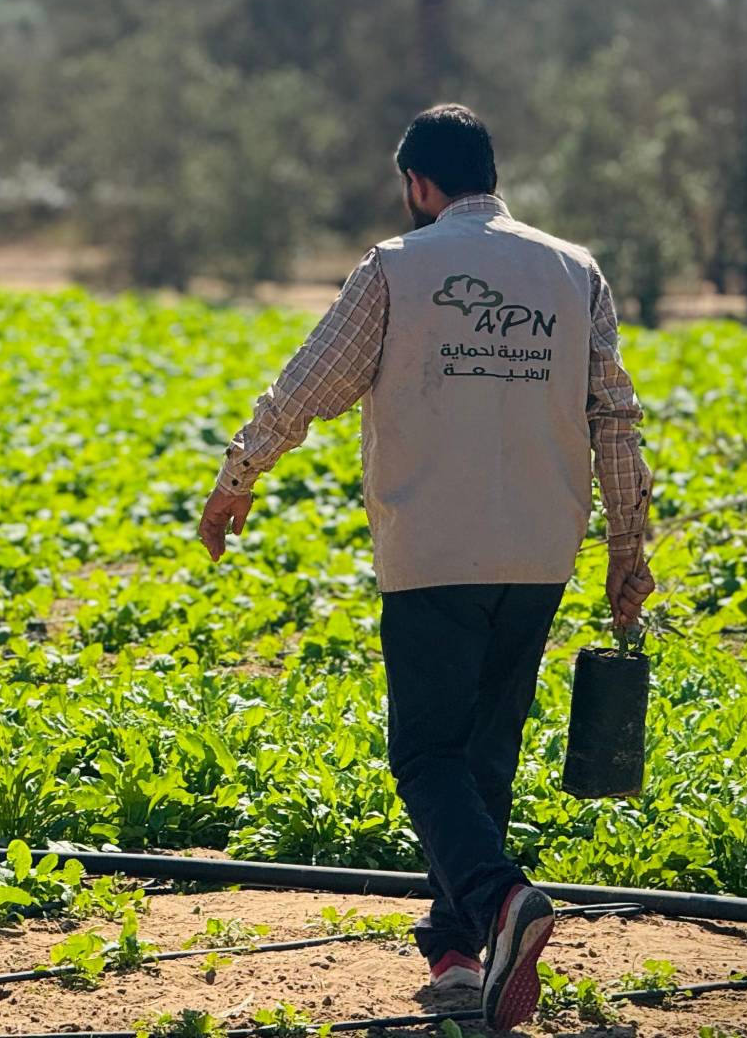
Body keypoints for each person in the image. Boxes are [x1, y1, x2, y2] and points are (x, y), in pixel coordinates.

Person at [197, 104, 655, 1031]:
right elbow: (615, 416)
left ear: (418, 184)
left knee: (423, 752)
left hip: (433, 549)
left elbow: (308, 384)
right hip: (540, 551)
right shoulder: (574, 271)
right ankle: (458, 957)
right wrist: (629, 549)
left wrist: (239, 471)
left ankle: (497, 899)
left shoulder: (398, 267)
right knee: (484, 752)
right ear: (490, 173)